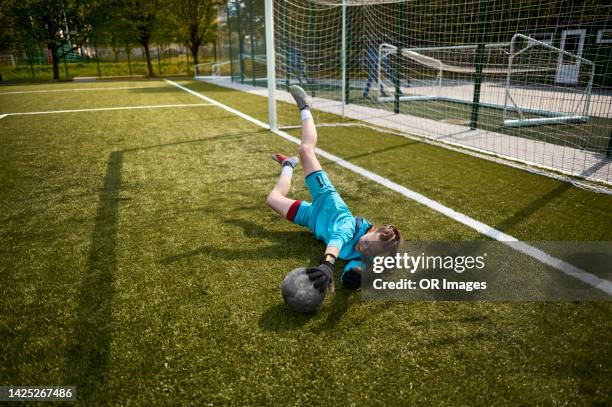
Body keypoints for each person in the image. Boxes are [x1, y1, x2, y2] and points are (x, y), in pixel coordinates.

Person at [266, 85, 403, 293]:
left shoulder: (366, 256)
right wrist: (328, 264)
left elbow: (354, 270)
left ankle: (287, 166)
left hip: (312, 218)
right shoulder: (354, 226)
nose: (362, 247)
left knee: (272, 199)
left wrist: (355, 277)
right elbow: (338, 239)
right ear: (372, 231)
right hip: (326, 199)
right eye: (366, 242)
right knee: (305, 150)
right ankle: (305, 106)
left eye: (368, 250)